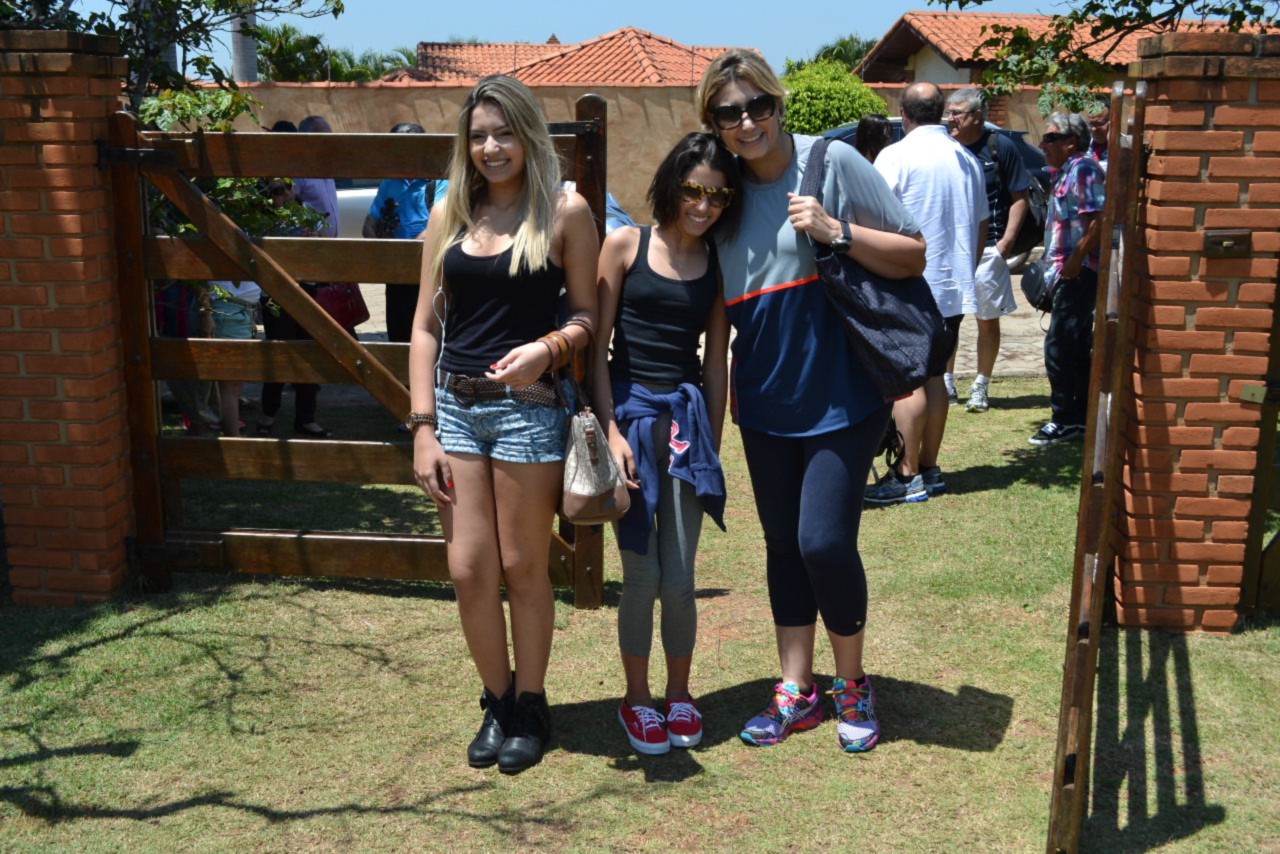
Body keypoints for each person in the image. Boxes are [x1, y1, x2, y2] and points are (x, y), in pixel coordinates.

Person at [695, 50, 925, 753]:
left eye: (758, 105)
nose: (747, 122)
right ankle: (796, 690)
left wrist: (836, 231)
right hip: (765, 400)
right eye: (729, 113)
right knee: (782, 547)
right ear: (713, 122)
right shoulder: (721, 193)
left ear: (778, 101)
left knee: (823, 541)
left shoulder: (832, 161)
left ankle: (851, 683)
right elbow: (711, 314)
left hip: (843, 395)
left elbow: (914, 252)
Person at [408, 75, 598, 773]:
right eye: (479, 136)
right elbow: (425, 328)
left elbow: (588, 317)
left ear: (528, 135)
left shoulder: (565, 210)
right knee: (468, 569)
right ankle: (497, 698)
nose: (492, 148)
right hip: (456, 409)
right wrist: (422, 425)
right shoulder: (450, 211)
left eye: (505, 133)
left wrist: (546, 350)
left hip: (530, 410)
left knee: (522, 566)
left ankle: (531, 704)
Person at [591, 132, 736, 756]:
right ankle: (637, 699)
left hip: (684, 430)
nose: (703, 205)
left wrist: (711, 445)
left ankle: (679, 694)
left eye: (717, 196)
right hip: (628, 423)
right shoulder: (625, 244)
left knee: (679, 578)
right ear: (672, 185)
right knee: (641, 574)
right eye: (694, 190)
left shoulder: (717, 264)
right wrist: (610, 432)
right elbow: (595, 350)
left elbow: (715, 364)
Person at [865, 82, 988, 505]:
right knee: (935, 375)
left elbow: (873, 219)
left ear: (904, 114)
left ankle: (906, 474)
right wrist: (965, 271)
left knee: (907, 379)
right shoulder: (968, 159)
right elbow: (981, 225)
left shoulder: (895, 155)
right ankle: (929, 468)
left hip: (907, 282)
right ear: (942, 113)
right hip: (952, 284)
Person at [945, 87, 1032, 414]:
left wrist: (1004, 245)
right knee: (948, 317)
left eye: (957, 113)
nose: (950, 119)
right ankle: (946, 381)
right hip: (950, 251)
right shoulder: (946, 147)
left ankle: (981, 385)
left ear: (977, 116)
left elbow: (1020, 197)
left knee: (986, 319)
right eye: (949, 112)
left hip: (988, 250)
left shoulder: (1000, 146)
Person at [1030, 111, 1105, 447]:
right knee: (1073, 347)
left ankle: (1065, 419)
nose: (1043, 144)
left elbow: (1098, 220)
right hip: (1065, 272)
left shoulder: (1084, 169)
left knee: (1059, 347)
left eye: (1050, 138)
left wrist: (1076, 261)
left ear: (1071, 142)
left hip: (1079, 272)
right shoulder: (1064, 172)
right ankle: (1081, 418)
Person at [256, 127, 332, 439]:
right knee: (280, 357)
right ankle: (268, 416)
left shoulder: (308, 213)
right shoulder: (262, 222)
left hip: (309, 290)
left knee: (309, 356)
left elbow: (324, 246)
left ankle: (306, 418)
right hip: (277, 296)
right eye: (277, 191)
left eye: (288, 187)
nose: (285, 194)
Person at [362, 122, 449, 344]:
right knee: (399, 334)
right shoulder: (390, 181)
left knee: (431, 334)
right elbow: (369, 223)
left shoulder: (440, 180)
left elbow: (439, 227)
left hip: (430, 270)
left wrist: (404, 252)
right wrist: (383, 252)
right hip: (397, 272)